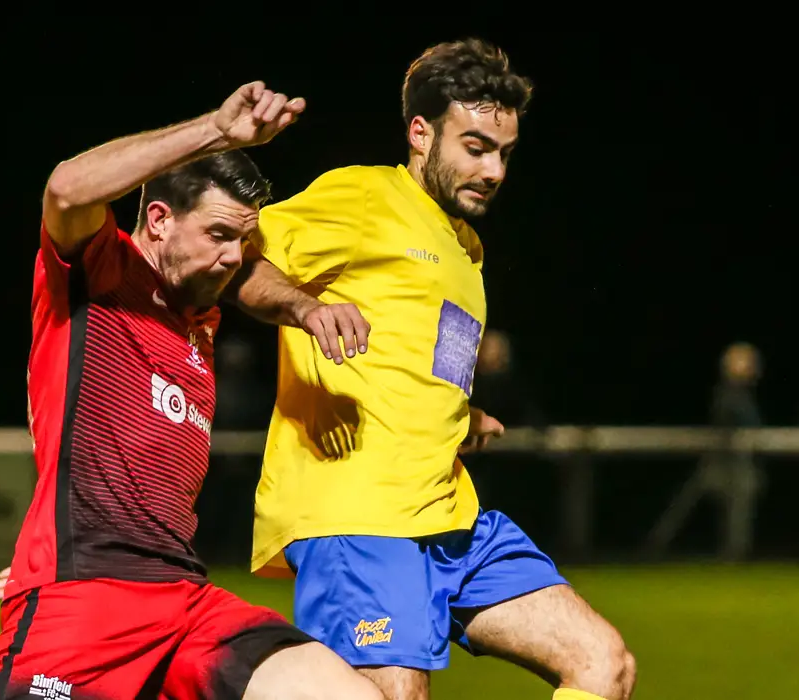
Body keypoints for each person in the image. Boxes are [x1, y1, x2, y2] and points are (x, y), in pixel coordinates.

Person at [227, 39, 637, 700]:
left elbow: (422, 361)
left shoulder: (465, 248)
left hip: (450, 514)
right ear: (421, 133)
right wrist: (305, 306)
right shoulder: (364, 195)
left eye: (504, 153)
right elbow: (236, 260)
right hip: (360, 514)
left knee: (603, 665)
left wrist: (460, 414)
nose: (494, 170)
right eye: (476, 147)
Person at [0, 81, 383, 700]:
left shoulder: (200, 317)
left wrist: (305, 308)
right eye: (218, 235)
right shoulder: (101, 274)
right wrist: (216, 131)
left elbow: (251, 277)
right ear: (159, 220)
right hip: (85, 597)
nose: (233, 257)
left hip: (186, 602)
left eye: (242, 242)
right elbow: (64, 189)